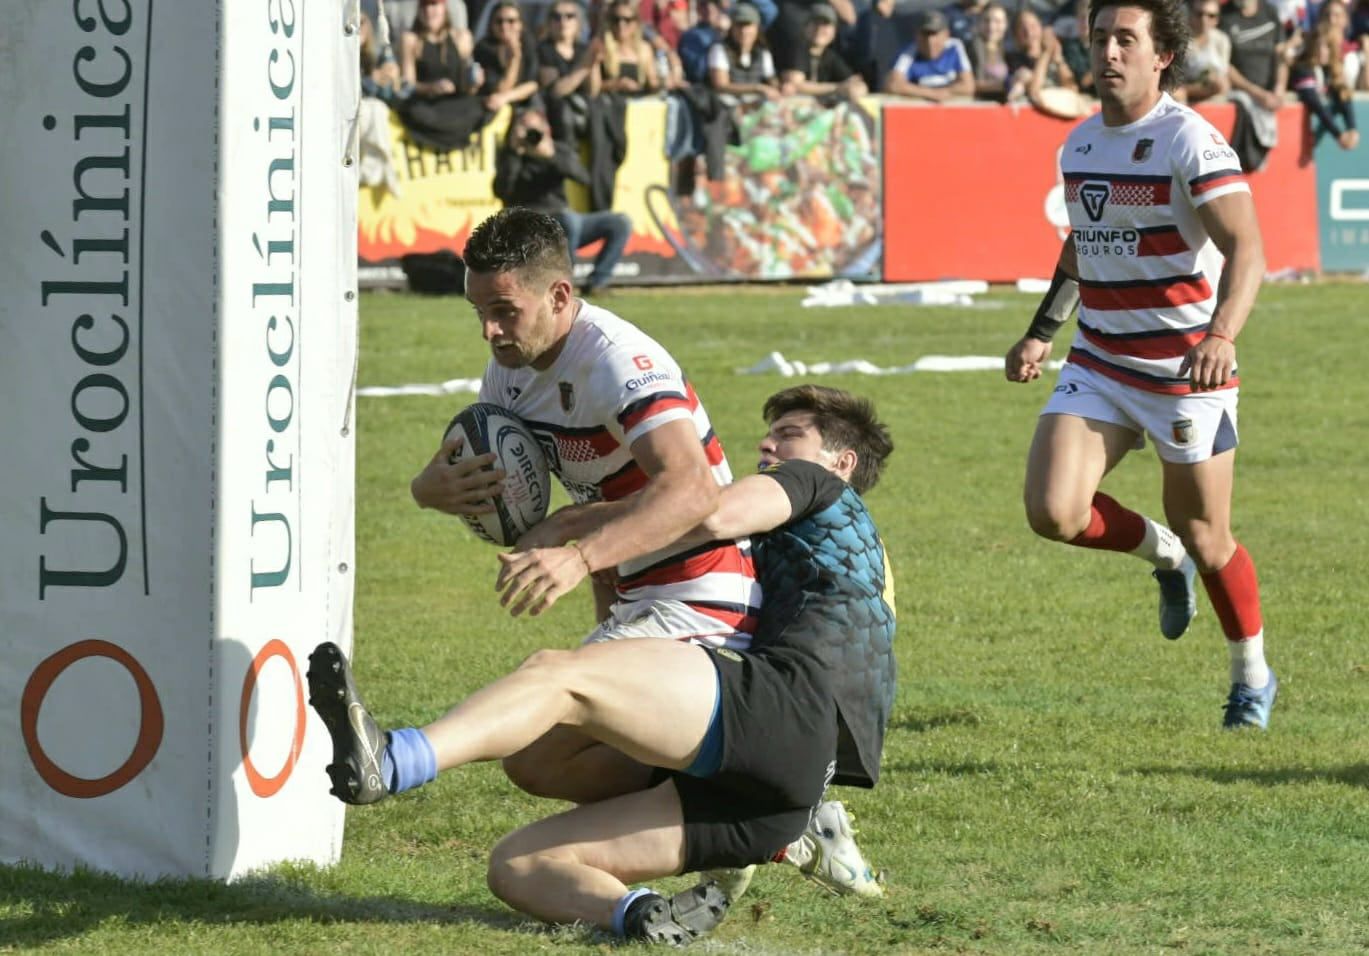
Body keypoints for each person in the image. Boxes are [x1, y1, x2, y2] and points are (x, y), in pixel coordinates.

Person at [309, 384, 897, 944]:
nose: (768, 444)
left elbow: (708, 511)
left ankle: (396, 760)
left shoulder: (815, 483)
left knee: (557, 676)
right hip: (776, 792)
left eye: (789, 435)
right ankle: (645, 915)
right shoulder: (822, 541)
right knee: (521, 844)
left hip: (785, 714)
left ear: (841, 462)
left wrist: (572, 525)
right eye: (771, 434)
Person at [1003, 0, 1278, 731]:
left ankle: (1251, 674)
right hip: (1099, 361)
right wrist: (1040, 332)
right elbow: (1082, 245)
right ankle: (1164, 556)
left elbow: (1248, 248)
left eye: (1126, 39)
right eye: (1100, 38)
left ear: (1163, 56)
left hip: (1184, 374)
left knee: (1209, 537)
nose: (1109, 53)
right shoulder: (1080, 144)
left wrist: (1222, 335)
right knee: (1053, 512)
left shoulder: (1190, 141)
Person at [490, 111, 632, 296]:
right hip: (529, 221)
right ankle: (563, 284)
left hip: (564, 216)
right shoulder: (509, 155)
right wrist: (515, 155)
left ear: (546, 130)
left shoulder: (556, 150)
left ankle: (598, 283)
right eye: (524, 127)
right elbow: (501, 191)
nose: (530, 134)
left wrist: (551, 156)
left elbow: (583, 177)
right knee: (568, 221)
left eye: (534, 129)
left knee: (620, 222)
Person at [397, 0, 488, 151]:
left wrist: (475, 81)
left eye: (434, 5)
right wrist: (431, 88)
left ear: (444, 8)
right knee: (415, 113)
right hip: (427, 104)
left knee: (478, 109)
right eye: (425, 6)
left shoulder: (461, 37)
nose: (429, 11)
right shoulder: (411, 39)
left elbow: (469, 87)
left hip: (456, 102)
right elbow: (408, 85)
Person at [537, 1, 603, 144]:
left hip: (583, 114)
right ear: (549, 22)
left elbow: (593, 91)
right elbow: (556, 91)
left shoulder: (583, 49)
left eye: (569, 16)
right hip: (557, 118)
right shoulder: (543, 50)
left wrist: (594, 62)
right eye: (556, 17)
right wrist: (584, 67)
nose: (563, 21)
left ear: (578, 22)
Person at [1290, 19, 1360, 152]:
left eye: (1328, 46)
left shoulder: (1329, 70)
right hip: (1293, 139)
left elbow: (1343, 95)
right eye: (1319, 46)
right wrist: (1338, 134)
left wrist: (1352, 128)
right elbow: (1315, 103)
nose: (1323, 51)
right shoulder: (1302, 68)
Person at [778, 3, 868, 101]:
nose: (819, 29)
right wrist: (838, 87)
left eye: (825, 24)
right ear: (805, 27)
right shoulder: (798, 48)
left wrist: (856, 88)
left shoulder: (830, 56)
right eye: (815, 23)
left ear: (834, 31)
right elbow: (796, 84)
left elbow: (856, 83)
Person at [883, 9, 976, 101]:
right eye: (925, 34)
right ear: (917, 35)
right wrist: (930, 94)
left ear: (946, 34)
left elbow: (968, 86)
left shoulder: (954, 47)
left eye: (934, 34)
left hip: (949, 105)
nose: (929, 41)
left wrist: (946, 92)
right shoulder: (909, 52)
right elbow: (893, 85)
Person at [475, 0, 542, 115]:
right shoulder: (483, 48)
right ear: (491, 24)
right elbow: (500, 89)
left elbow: (533, 83)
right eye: (499, 21)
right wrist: (514, 59)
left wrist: (506, 97)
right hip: (494, 105)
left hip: (524, 104)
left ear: (520, 24)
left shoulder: (528, 43)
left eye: (511, 21)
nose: (504, 26)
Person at [708, 2, 782, 101]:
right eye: (739, 26)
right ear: (732, 28)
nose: (744, 31)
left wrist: (781, 87)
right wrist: (757, 88)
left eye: (748, 25)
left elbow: (771, 79)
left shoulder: (762, 53)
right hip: (726, 105)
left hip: (755, 105)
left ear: (757, 28)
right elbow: (721, 85)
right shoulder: (719, 49)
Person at [600, 0, 664, 94]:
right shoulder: (600, 48)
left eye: (627, 20)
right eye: (616, 20)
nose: (621, 25)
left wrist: (661, 82)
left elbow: (653, 81)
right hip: (609, 100)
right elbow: (589, 87)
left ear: (636, 23)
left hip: (638, 101)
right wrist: (615, 84)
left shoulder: (644, 49)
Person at [1179, 0, 1232, 104]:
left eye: (1211, 16)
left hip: (1215, 102)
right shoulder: (1179, 41)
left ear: (1217, 19)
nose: (1204, 19)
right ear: (1190, 14)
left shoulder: (1222, 40)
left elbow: (1223, 83)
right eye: (1199, 14)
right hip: (1184, 100)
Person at [971, 2, 1013, 100]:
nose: (991, 26)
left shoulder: (1007, 48)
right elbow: (974, 85)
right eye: (986, 21)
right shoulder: (975, 47)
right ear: (979, 23)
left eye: (997, 21)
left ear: (1006, 24)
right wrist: (1007, 85)